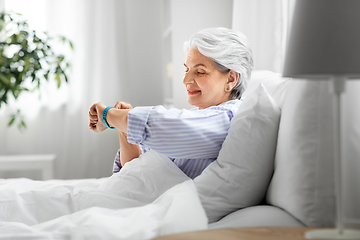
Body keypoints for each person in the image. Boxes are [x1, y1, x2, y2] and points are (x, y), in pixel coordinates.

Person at [88, 27, 253, 179]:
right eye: (187, 70)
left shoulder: (230, 118)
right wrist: (124, 129)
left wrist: (109, 115)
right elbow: (133, 169)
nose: (185, 80)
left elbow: (166, 126)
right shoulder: (198, 116)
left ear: (231, 78)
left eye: (200, 72)